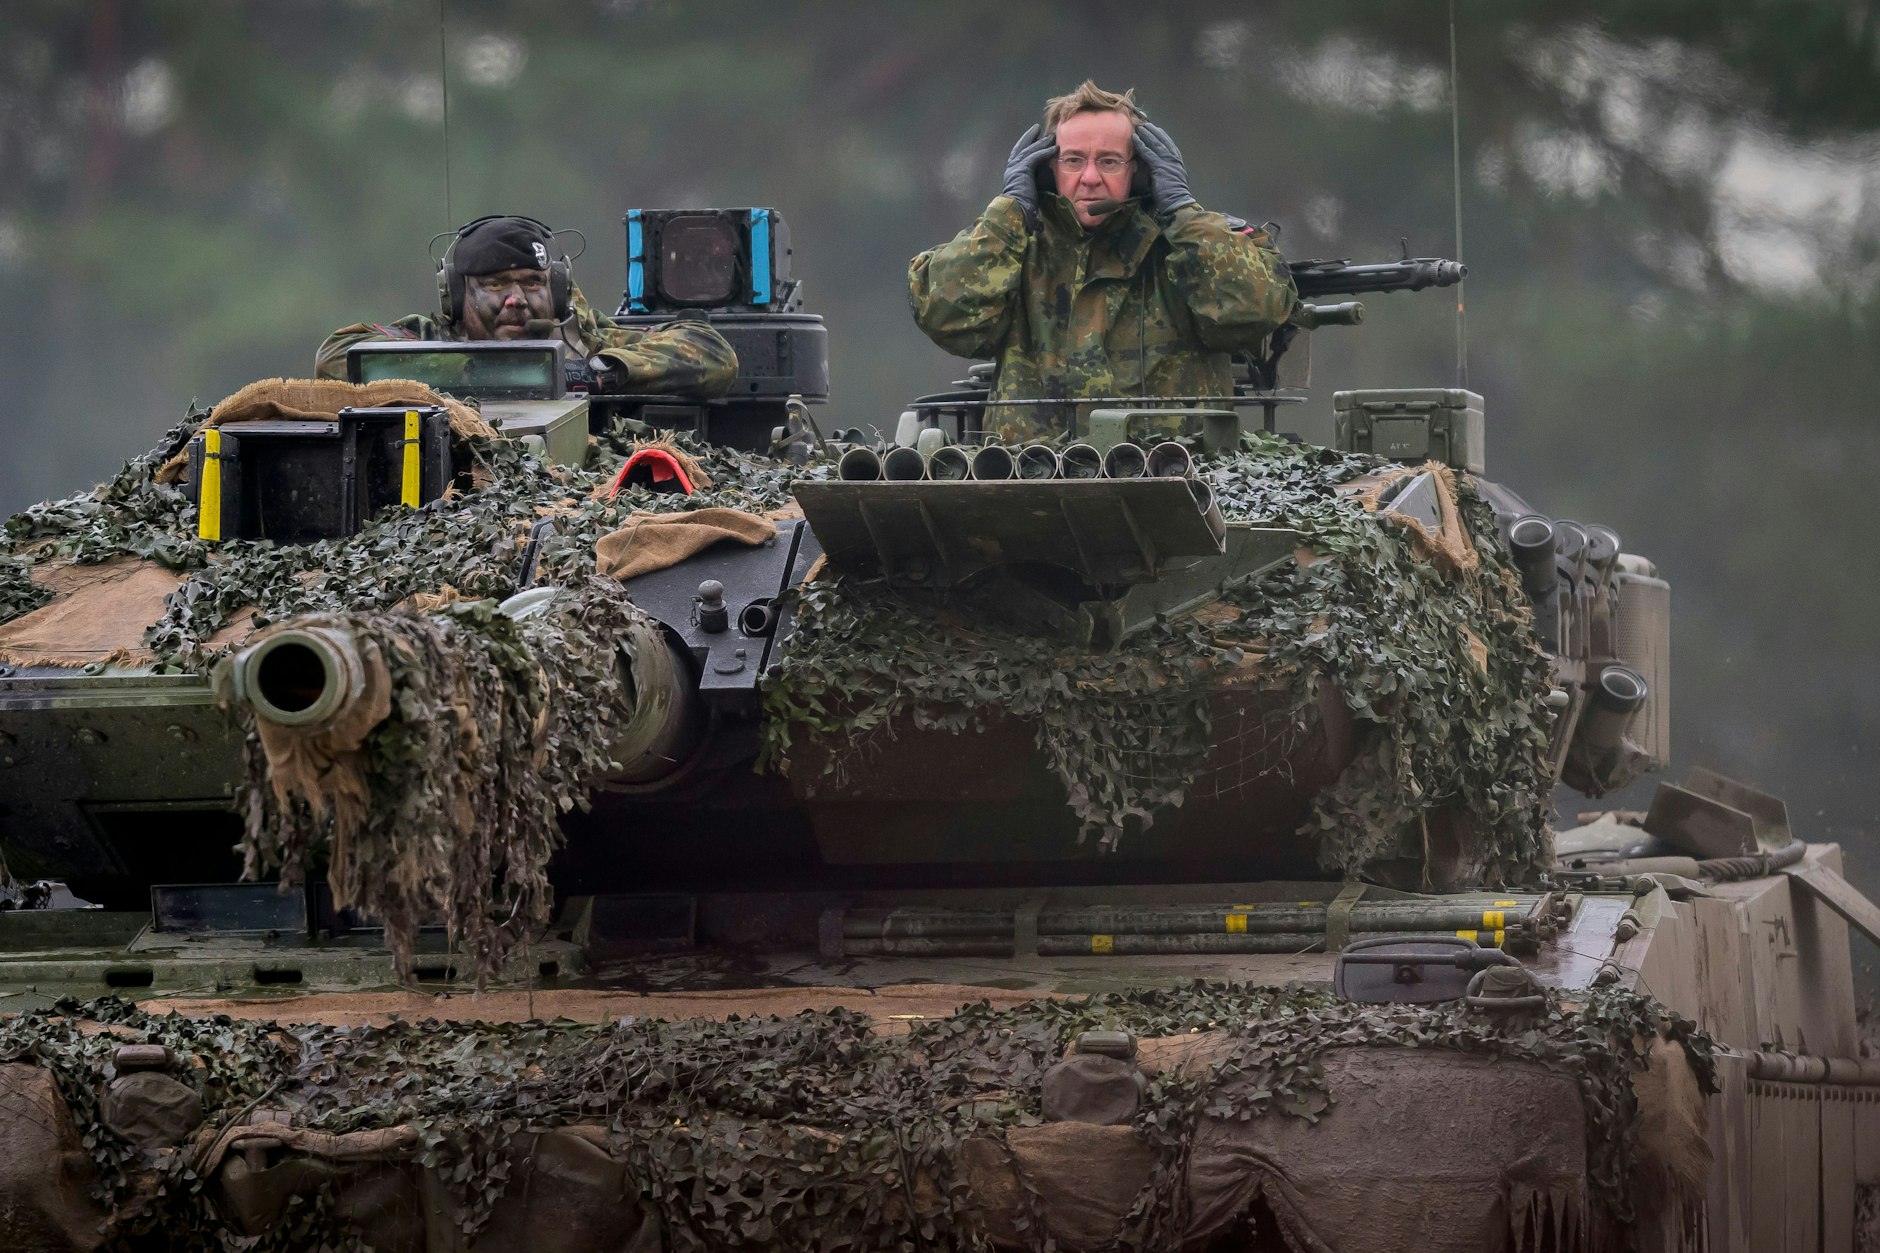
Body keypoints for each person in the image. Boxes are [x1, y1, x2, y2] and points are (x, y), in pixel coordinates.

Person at [908, 81, 1297, 443]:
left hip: (1170, 480)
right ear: (1046, 171)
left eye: (1109, 162)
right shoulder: (1011, 250)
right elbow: (946, 315)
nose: (1090, 177)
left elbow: (1252, 310)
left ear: (1141, 173)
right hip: (1028, 483)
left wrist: (1182, 210)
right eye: (1073, 160)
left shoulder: (1187, 247)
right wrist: (1010, 211)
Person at [315, 215, 736, 396]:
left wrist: (594, 372)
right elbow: (336, 357)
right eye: (496, 285)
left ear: (554, 288)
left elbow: (712, 351)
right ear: (457, 297)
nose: (517, 300)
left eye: (533, 283)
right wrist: (469, 370)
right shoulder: (428, 340)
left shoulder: (586, 341)